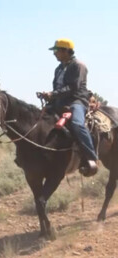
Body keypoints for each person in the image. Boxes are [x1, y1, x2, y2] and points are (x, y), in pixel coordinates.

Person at [39, 38, 98, 177]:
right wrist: (49, 96)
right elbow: (58, 88)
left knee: (77, 124)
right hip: (59, 101)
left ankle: (91, 157)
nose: (54, 54)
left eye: (56, 51)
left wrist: (52, 94)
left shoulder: (79, 66)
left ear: (65, 51)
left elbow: (73, 87)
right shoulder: (58, 69)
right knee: (37, 119)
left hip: (76, 101)